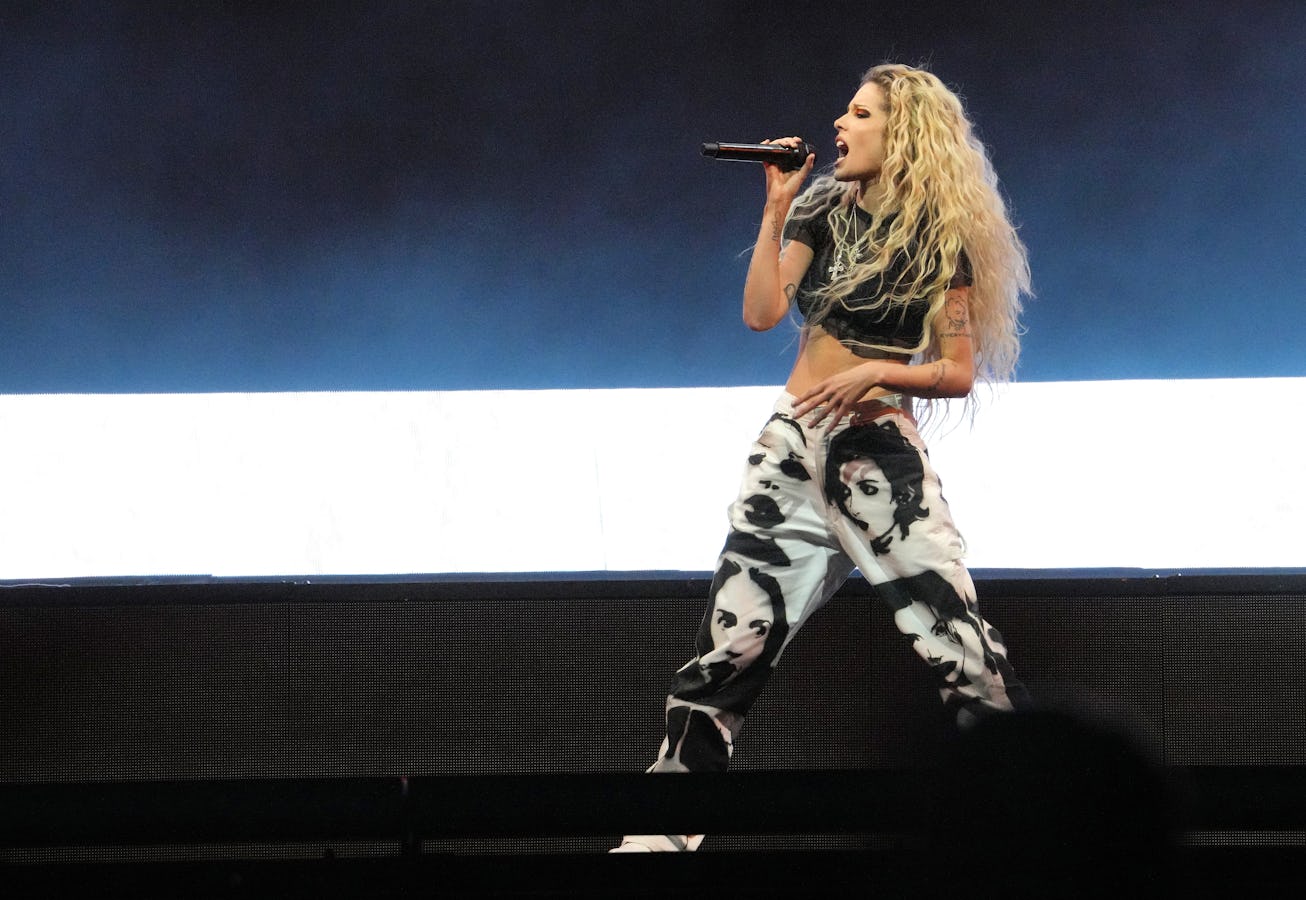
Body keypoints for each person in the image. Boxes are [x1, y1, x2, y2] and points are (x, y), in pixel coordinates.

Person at [612, 63, 1033, 853]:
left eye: (859, 112)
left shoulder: (938, 240)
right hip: (789, 447)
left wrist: (877, 370)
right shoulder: (819, 208)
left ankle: (1038, 825)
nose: (840, 123)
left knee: (958, 645)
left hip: (877, 459)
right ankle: (657, 844)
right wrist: (775, 208)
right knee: (726, 653)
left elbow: (958, 371)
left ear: (901, 133)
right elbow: (762, 314)